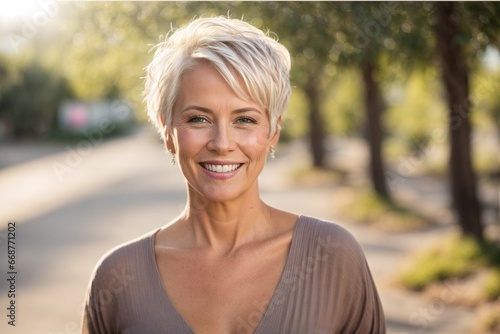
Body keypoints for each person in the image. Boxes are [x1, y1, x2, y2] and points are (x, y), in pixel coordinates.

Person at [82, 16, 386, 334]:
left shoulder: (333, 256)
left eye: (244, 120)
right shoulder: (116, 278)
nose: (222, 144)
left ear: (274, 132)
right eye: (199, 119)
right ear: (166, 130)